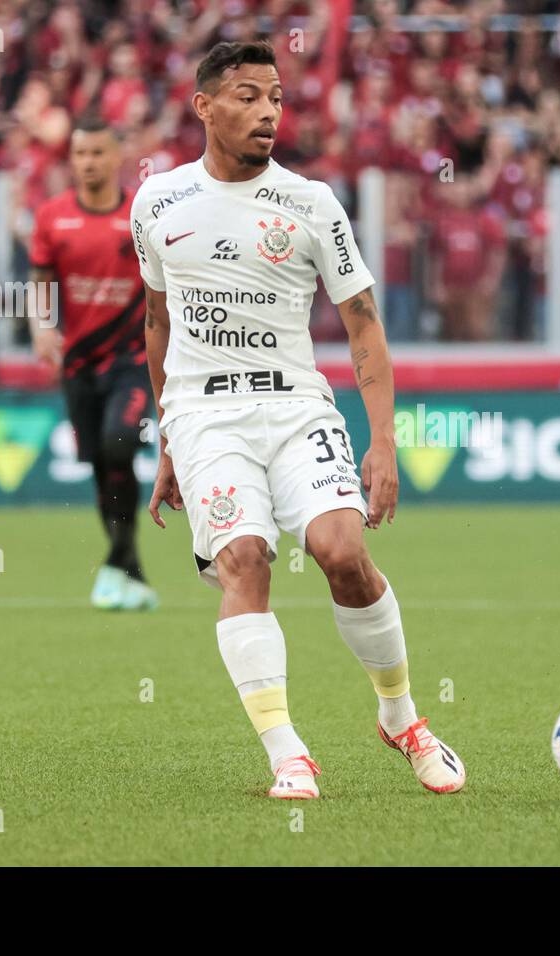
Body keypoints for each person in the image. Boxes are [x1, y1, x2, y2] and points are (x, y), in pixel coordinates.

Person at [133, 39, 465, 800]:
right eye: (248, 95)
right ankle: (288, 752)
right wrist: (168, 440)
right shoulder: (157, 202)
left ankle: (401, 717)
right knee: (244, 559)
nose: (268, 112)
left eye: (277, 97)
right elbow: (157, 322)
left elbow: (363, 322)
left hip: (295, 404)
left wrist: (383, 441)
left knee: (340, 550)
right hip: (205, 415)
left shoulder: (311, 202)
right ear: (204, 106)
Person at [29, 116, 157, 611]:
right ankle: (131, 569)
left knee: (118, 444)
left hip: (133, 358)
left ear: (116, 157)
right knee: (102, 467)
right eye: (80, 154)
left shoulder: (141, 214)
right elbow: (40, 280)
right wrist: (42, 327)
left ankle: (115, 564)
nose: (88, 163)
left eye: (98, 153)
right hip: (78, 364)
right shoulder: (52, 218)